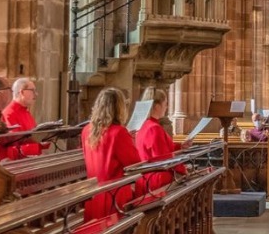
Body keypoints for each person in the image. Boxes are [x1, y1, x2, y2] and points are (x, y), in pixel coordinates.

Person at [81, 87, 142, 221]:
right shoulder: (119, 132)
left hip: (93, 194)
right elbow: (135, 163)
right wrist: (132, 141)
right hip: (114, 195)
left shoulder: (86, 131)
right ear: (119, 108)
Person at [135, 87, 191, 192]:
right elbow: (163, 159)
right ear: (157, 106)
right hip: (157, 181)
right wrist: (183, 171)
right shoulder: (153, 128)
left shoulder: (145, 125)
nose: (166, 107)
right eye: (165, 103)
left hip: (148, 178)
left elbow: (161, 149)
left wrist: (180, 146)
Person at [2, 78, 49, 159]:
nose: (36, 94)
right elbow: (14, 145)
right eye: (32, 90)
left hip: (31, 161)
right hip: (20, 165)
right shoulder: (9, 114)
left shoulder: (26, 111)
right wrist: (37, 146)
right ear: (22, 92)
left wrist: (42, 142)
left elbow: (32, 138)